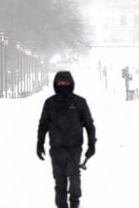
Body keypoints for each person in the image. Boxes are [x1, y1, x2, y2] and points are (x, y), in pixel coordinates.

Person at [37, 70, 96, 208]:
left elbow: (89, 125)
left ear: (71, 84)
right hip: (56, 149)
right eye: (60, 83)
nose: (63, 85)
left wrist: (91, 144)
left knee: (74, 178)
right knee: (60, 181)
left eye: (65, 83)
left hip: (74, 149)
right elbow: (43, 124)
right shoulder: (50, 103)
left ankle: (75, 203)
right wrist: (39, 143)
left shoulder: (79, 102)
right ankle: (62, 205)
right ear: (55, 84)